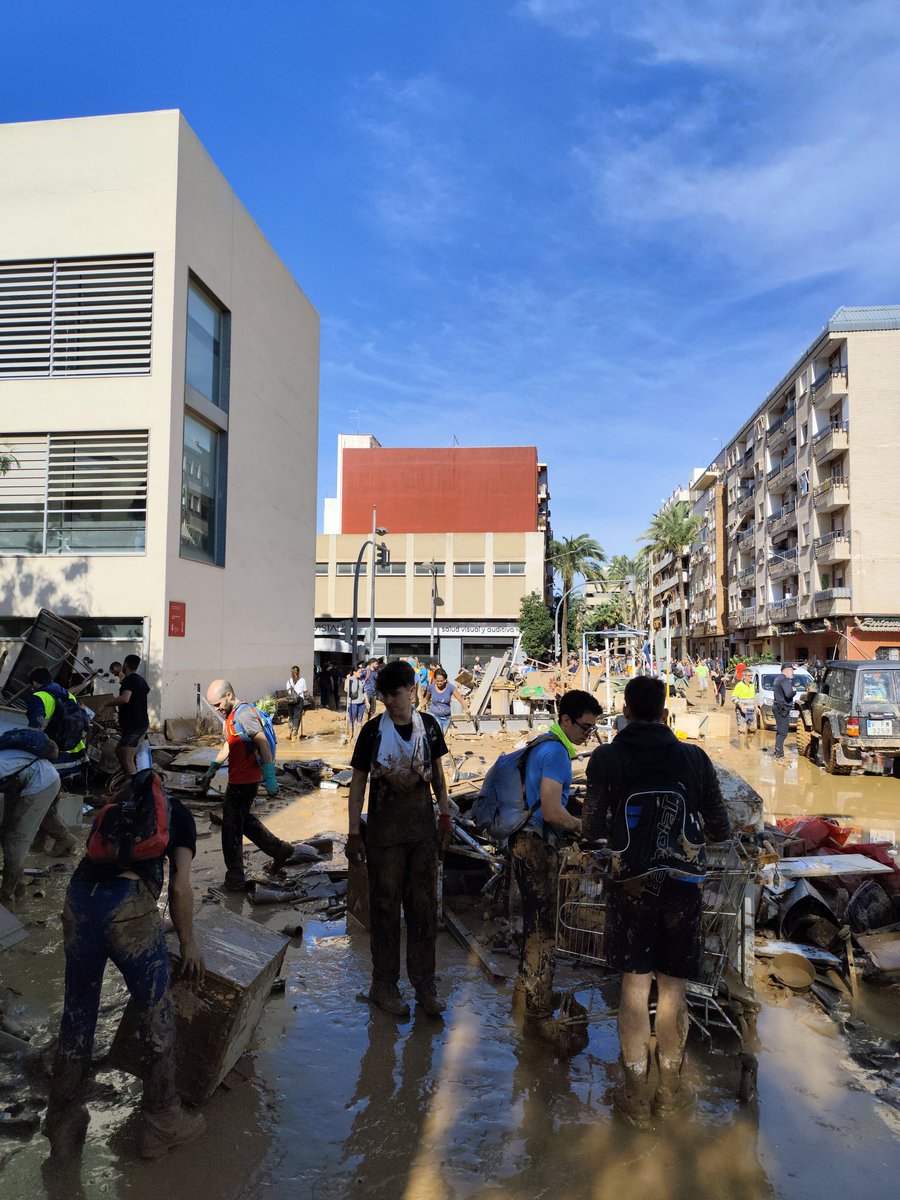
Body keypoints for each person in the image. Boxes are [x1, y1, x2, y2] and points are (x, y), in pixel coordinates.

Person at [584, 676, 732, 1125]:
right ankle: (668, 1092)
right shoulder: (693, 757)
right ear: (666, 713)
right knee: (672, 988)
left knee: (634, 985)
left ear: (625, 710)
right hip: (681, 890)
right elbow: (720, 828)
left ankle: (633, 1096)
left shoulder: (607, 757)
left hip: (631, 887)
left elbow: (591, 830)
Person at [43, 768, 206, 1161]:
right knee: (155, 1009)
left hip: (78, 903)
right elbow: (181, 886)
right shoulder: (177, 813)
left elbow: (100, 865)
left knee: (78, 1012)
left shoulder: (111, 810)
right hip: (127, 907)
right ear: (162, 786)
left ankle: (62, 1120)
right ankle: (163, 1120)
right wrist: (188, 942)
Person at [346, 660, 452, 1019]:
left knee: (423, 912)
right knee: (386, 910)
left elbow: (438, 774)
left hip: (422, 832)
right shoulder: (373, 732)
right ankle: (384, 985)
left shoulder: (431, 728)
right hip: (385, 836)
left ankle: (425, 986)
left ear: (412, 692)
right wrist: (353, 832)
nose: (389, 701)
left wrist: (446, 815)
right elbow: (358, 782)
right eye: (384, 695)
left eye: (395, 694)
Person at [511, 689, 602, 1049]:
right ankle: (536, 1014)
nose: (588, 735)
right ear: (565, 720)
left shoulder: (543, 744)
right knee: (543, 929)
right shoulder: (557, 753)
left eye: (593, 729)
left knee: (535, 922)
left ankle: (525, 995)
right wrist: (583, 827)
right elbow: (551, 811)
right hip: (536, 846)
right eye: (585, 727)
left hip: (524, 842)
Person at [201, 681, 294, 891]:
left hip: (247, 781)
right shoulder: (231, 717)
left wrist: (270, 777)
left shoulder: (244, 714)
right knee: (243, 821)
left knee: (230, 829)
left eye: (217, 704)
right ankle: (280, 850)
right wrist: (213, 767)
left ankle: (234, 879)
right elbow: (229, 744)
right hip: (237, 778)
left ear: (228, 695)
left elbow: (262, 743)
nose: (216, 708)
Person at [0, 739, 61, 906]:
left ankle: (6, 900)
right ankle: (18, 889)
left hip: (42, 782)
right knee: (6, 834)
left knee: (16, 840)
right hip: (20, 779)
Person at [101, 654, 150, 777]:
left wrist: (106, 703)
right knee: (120, 751)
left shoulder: (130, 680)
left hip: (135, 725)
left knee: (126, 754)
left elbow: (125, 698)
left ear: (126, 664)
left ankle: (135, 786)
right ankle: (129, 780)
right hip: (136, 723)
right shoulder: (141, 680)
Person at [423, 669, 468, 734]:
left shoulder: (450, 687)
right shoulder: (431, 687)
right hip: (434, 714)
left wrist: (467, 710)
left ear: (445, 679)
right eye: (437, 681)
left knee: (441, 737)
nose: (439, 683)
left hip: (446, 717)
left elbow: (460, 699)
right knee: (437, 733)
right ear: (434, 679)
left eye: (441, 681)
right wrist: (419, 707)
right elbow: (426, 699)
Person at [771, 664, 797, 760]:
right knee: (783, 732)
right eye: (791, 670)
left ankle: (778, 751)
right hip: (782, 708)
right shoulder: (784, 680)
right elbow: (789, 694)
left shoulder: (778, 678)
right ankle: (779, 754)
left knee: (780, 731)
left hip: (777, 707)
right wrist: (794, 689)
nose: (793, 672)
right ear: (786, 670)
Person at [345, 663, 370, 742]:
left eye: (361, 672)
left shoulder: (362, 680)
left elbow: (364, 692)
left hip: (361, 703)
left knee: (360, 720)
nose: (361, 674)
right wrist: (348, 680)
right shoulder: (349, 680)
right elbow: (346, 689)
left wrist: (367, 702)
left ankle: (358, 738)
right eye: (359, 672)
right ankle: (350, 736)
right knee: (352, 720)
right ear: (354, 672)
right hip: (353, 703)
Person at [285, 665, 308, 741]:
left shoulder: (289, 681)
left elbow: (288, 691)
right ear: (299, 672)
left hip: (290, 700)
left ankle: (290, 732)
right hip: (299, 700)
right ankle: (294, 734)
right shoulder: (302, 680)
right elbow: (304, 691)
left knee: (291, 716)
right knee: (297, 717)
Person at [732, 674, 757, 739]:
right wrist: (741, 705)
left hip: (752, 710)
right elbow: (734, 698)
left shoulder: (752, 685)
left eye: (751, 675)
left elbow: (753, 698)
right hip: (741, 710)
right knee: (742, 730)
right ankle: (741, 748)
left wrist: (756, 707)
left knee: (753, 729)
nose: (751, 677)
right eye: (749, 675)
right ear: (744, 676)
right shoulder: (739, 685)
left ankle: (748, 743)